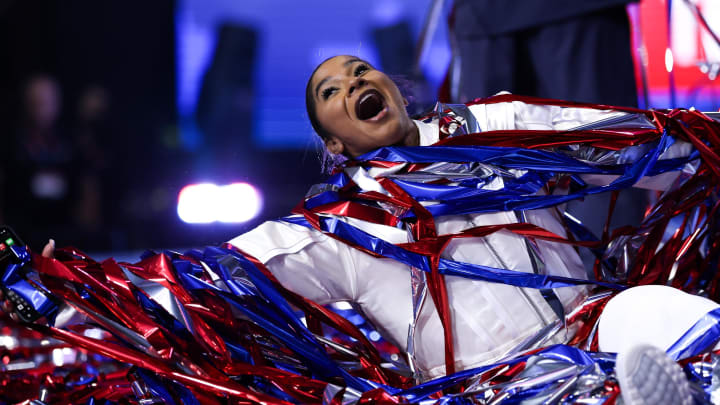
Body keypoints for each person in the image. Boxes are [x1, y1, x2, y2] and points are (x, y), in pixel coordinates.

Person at [1, 55, 708, 404]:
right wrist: (66, 289)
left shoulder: (493, 129)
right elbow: (207, 278)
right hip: (489, 390)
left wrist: (703, 149)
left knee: (681, 319)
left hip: (595, 322)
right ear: (334, 144)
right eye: (330, 92)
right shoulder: (337, 229)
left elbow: (619, 141)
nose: (351, 84)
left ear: (394, 88)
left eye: (359, 72)